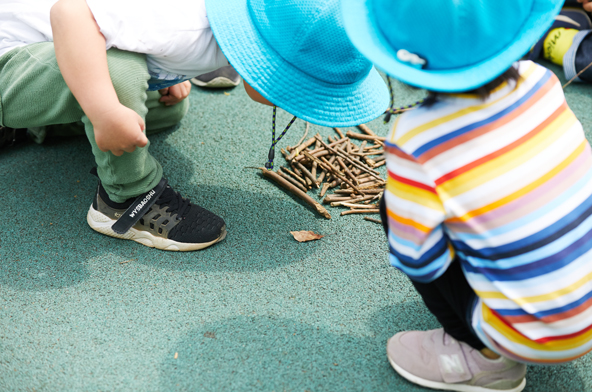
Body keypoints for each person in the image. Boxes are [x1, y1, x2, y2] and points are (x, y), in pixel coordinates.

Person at [341, 0, 592, 391]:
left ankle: (484, 359)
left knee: (394, 209)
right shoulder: (541, 79)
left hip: (540, 335)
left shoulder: (416, 137)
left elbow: (417, 259)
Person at [0, 0, 388, 251]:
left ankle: (32, 128)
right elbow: (70, 13)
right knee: (119, 75)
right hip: (10, 61)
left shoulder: (236, 21)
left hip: (48, 50)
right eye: (303, 87)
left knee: (164, 111)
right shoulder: (185, 29)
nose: (302, 104)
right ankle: (124, 199)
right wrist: (103, 110)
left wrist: (162, 68)